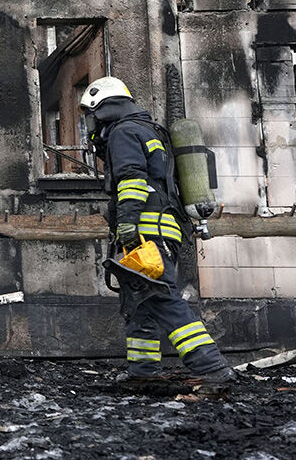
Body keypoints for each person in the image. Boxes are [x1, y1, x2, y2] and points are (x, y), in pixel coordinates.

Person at [80, 76, 235, 384]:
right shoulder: (150, 131)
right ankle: (143, 372)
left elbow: (132, 179)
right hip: (168, 230)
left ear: (103, 109)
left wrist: (127, 221)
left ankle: (210, 366)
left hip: (145, 230)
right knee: (140, 301)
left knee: (160, 297)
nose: (89, 124)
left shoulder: (124, 133)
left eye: (90, 115)